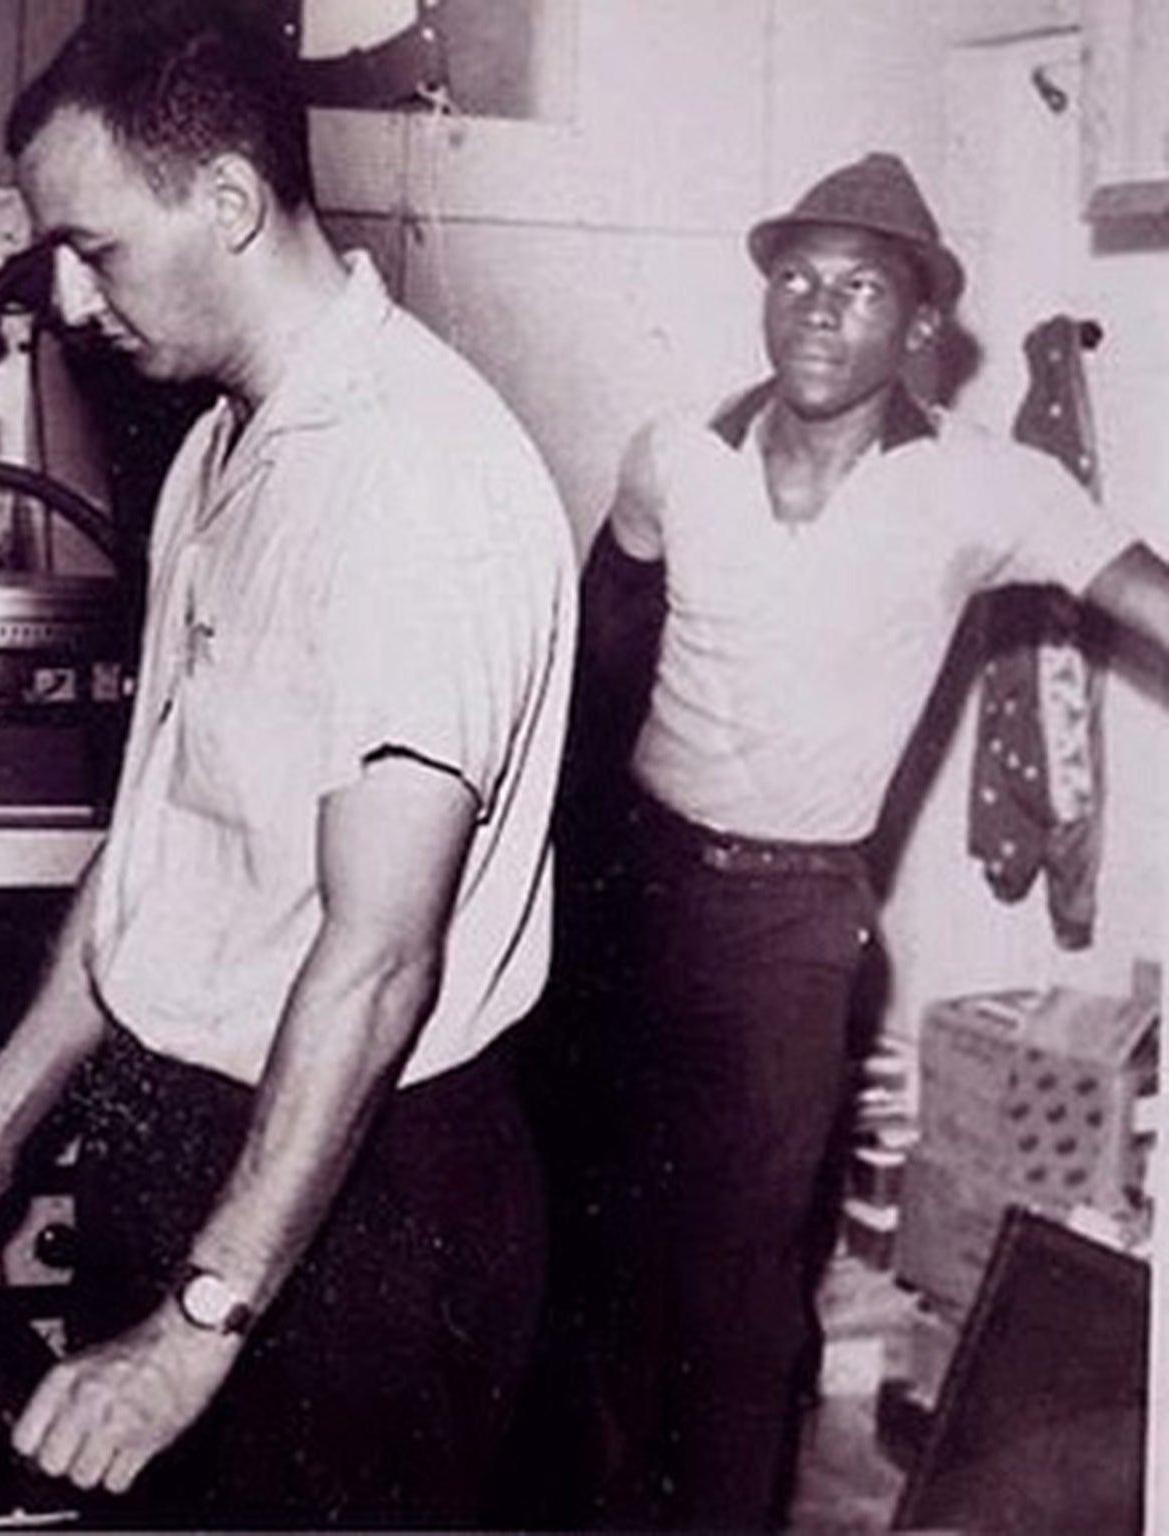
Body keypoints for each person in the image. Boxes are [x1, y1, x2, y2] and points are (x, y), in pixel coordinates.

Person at [0, 10, 575, 1528]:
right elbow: (158, 850)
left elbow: (379, 961)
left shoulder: (414, 485)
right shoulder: (221, 446)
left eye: (94, 248)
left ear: (233, 205)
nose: (63, 298)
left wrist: (195, 1333)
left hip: (358, 1200)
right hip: (197, 1149)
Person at [561, 150, 1169, 1530]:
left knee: (738, 1279)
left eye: (861, 287)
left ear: (916, 330)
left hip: (792, 923)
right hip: (640, 888)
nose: (820, 310)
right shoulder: (675, 455)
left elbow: (1144, 593)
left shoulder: (984, 487)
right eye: (796, 280)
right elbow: (599, 657)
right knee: (604, 1246)